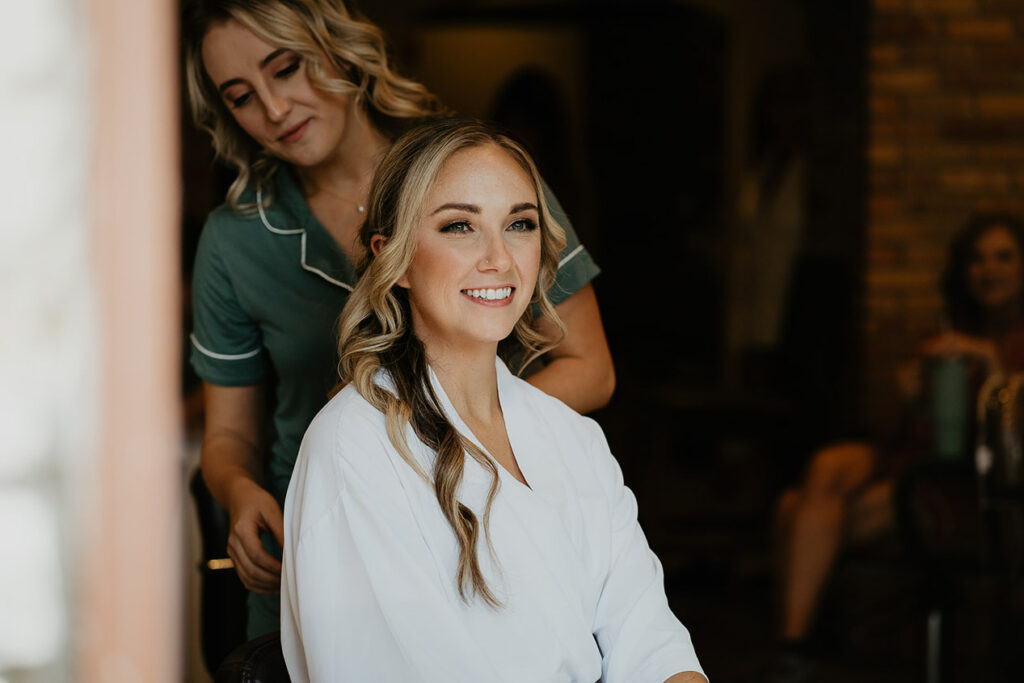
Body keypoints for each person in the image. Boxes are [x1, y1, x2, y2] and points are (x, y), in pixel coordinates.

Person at [182, 0, 615, 638]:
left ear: (337, 48)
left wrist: (433, 432)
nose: (273, 110)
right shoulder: (236, 238)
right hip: (320, 564)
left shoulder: (479, 170)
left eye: (288, 68)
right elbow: (228, 439)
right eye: (242, 96)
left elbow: (592, 370)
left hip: (494, 545)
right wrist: (241, 494)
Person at [281, 117, 705, 683]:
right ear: (397, 258)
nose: (499, 259)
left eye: (520, 224)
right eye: (460, 226)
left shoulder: (572, 437)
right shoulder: (353, 446)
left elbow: (650, 640)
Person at [771, 213, 1024, 680]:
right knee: (825, 465)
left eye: (1003, 257)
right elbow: (903, 431)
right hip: (912, 455)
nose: (989, 269)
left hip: (961, 478)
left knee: (793, 511)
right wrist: (910, 395)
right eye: (978, 259)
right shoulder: (948, 328)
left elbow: (1006, 441)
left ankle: (794, 645)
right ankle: (799, 646)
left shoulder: (1010, 342)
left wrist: (992, 368)